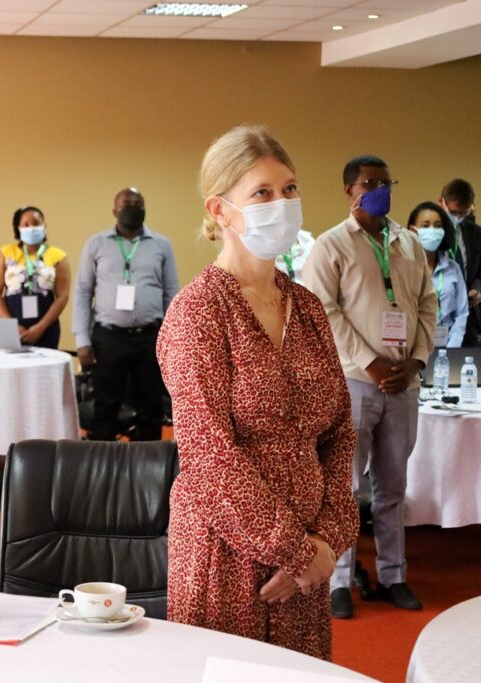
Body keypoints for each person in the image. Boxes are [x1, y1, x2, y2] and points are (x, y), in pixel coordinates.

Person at [156, 125, 358, 660]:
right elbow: (207, 452)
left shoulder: (308, 308)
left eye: (289, 189)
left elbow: (338, 433)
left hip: (309, 554)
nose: (283, 204)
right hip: (228, 551)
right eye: (262, 193)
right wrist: (291, 549)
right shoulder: (198, 312)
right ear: (220, 210)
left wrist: (326, 540)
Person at [303, 155, 436, 619]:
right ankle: (338, 581)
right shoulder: (330, 245)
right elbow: (323, 312)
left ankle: (394, 575)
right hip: (354, 384)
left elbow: (425, 304)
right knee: (344, 487)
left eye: (387, 181)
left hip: (403, 383)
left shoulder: (408, 242)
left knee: (393, 486)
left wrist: (416, 359)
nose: (381, 189)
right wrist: (370, 362)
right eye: (370, 183)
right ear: (348, 190)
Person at [73, 187, 179, 442]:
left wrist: (175, 339)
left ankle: (148, 472)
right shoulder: (96, 244)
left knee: (151, 407)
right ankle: (101, 472)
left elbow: (172, 292)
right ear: (114, 211)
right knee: (105, 408)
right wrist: (82, 341)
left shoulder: (161, 245)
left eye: (138, 203)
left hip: (150, 337)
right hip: (108, 338)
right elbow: (83, 292)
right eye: (127, 204)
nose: (133, 208)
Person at [0, 206, 70, 349]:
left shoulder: (58, 256)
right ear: (18, 228)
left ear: (44, 226)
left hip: (46, 330)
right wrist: (11, 326)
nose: (31, 227)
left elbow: (62, 296)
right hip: (11, 328)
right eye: (26, 224)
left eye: (36, 223)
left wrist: (41, 327)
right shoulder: (6, 253)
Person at [407, 201, 468, 348]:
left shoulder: (453, 269)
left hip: (447, 347)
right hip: (410, 349)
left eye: (438, 226)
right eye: (426, 225)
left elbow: (461, 314)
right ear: (412, 230)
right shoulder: (403, 268)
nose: (432, 230)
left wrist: (452, 347)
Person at [439, 179, 481, 345]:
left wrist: (477, 289)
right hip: (436, 312)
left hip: (468, 314)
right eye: (454, 212)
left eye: (462, 214)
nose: (457, 217)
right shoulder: (429, 232)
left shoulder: (475, 233)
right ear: (441, 202)